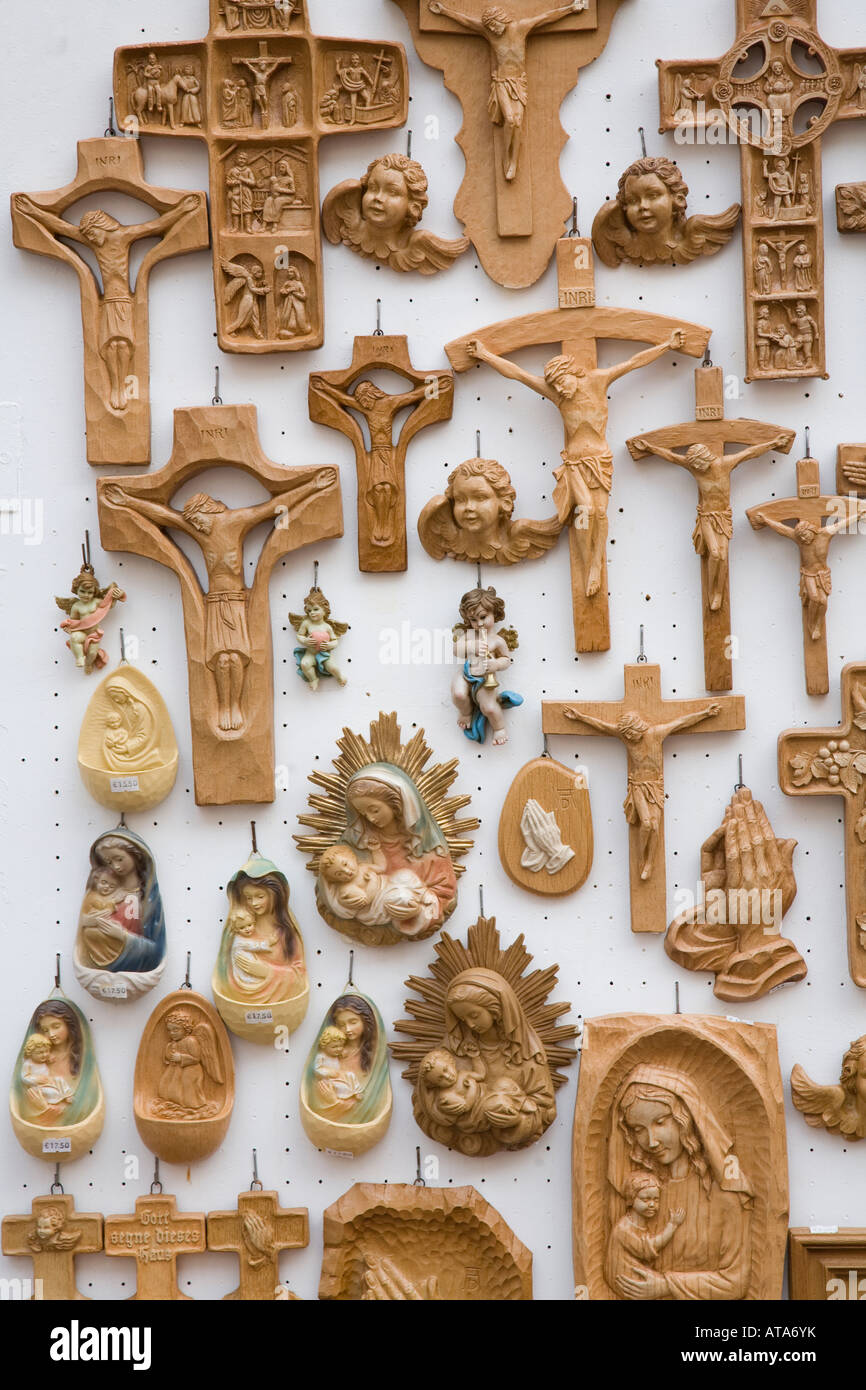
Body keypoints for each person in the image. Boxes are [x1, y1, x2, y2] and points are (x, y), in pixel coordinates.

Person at [103, 476, 333, 732]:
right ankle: (224, 707)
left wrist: (313, 486)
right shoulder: (199, 531)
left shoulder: (236, 521)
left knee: (236, 659)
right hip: (214, 603)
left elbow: (274, 506)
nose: (196, 527)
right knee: (221, 661)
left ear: (207, 511)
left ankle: (236, 706)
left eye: (197, 521)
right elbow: (166, 516)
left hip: (236, 603)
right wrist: (127, 501)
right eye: (192, 524)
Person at [467, 329, 683, 597]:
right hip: (574, 464)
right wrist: (484, 354)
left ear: (573, 373)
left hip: (600, 462)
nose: (559, 390)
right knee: (585, 510)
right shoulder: (558, 396)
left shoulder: (599, 381)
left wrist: (667, 344)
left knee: (601, 515)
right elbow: (518, 374)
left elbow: (634, 362)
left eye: (561, 383)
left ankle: (595, 564)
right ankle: (586, 563)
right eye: (554, 387)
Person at [14, 193, 200, 411]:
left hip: (124, 301)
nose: (91, 239)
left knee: (123, 344)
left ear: (102, 227)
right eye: (88, 237)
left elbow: (156, 226)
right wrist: (32, 211)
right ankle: (115, 387)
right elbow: (62, 227)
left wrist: (183, 209)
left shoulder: (123, 236)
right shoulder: (95, 243)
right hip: (108, 301)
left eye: (92, 234)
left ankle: (121, 384)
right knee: (110, 346)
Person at [607, 1066, 754, 1299]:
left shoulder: (723, 1194)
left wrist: (665, 1286)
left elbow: (736, 1282)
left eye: (660, 1122)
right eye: (638, 1130)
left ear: (685, 1120)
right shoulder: (642, 1191)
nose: (651, 1141)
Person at [627, 432, 792, 613]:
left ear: (705, 458)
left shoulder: (725, 464)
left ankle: (719, 592)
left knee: (723, 556)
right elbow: (672, 457)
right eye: (694, 465)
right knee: (714, 554)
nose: (697, 468)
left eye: (698, 463)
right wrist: (650, 448)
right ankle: (712, 591)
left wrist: (774, 443)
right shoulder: (694, 469)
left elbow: (750, 453)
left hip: (723, 517)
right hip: (706, 516)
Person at [428, 1, 586, 180]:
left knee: (517, 122)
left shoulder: (521, 28)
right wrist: (444, 11)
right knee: (510, 119)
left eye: (494, 25)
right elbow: (466, 22)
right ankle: (506, 157)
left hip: (518, 84)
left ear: (502, 19)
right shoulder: (490, 34)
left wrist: (571, 9)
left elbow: (546, 18)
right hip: (501, 83)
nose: (493, 30)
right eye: (490, 27)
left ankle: (514, 160)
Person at [564, 700, 721, 879]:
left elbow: (682, 722)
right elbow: (602, 726)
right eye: (626, 735)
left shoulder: (656, 733)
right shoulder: (625, 737)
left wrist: (706, 713)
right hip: (637, 785)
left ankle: (649, 862)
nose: (629, 738)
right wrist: (579, 717)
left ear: (637, 728)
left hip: (655, 786)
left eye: (630, 734)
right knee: (646, 823)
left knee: (654, 826)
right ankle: (640, 857)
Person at [318, 765, 457, 937]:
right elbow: (328, 887)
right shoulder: (357, 841)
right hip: (376, 910)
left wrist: (416, 911)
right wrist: (345, 902)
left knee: (405, 879)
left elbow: (446, 895)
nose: (370, 818)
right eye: (362, 813)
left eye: (374, 810)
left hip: (406, 907)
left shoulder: (427, 846)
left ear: (397, 803)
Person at [217, 855, 307, 1006]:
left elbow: (299, 977)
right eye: (248, 897)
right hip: (243, 1001)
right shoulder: (238, 928)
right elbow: (224, 974)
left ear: (274, 895)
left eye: (260, 896)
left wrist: (267, 972)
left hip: (279, 1006)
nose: (254, 903)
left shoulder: (285, 932)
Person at [76, 829, 166, 974]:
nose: (115, 866)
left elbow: (155, 951)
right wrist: (90, 921)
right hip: (98, 963)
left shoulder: (148, 897)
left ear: (135, 855)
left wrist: (123, 936)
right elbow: (83, 925)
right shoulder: (103, 890)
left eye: (119, 859)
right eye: (109, 862)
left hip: (131, 965)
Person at [318, 843, 439, 935]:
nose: (347, 872)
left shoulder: (363, 867)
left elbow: (381, 867)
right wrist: (372, 882)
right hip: (378, 905)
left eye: (345, 864)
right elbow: (366, 900)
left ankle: (424, 895)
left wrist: (375, 850)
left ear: (352, 857)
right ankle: (417, 915)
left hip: (387, 885)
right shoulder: (346, 889)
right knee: (400, 898)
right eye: (339, 874)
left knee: (404, 874)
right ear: (335, 880)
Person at [451, 585, 522, 745]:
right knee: (458, 694)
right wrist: (471, 646)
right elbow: (456, 650)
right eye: (473, 620)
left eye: (483, 617)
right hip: (466, 674)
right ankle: (466, 712)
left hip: (485, 679)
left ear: (494, 613)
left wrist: (496, 664)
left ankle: (499, 728)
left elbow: (506, 659)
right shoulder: (469, 635)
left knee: (489, 708)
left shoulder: (498, 640)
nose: (479, 623)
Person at [604, 1172, 685, 1292]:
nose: (652, 1204)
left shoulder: (639, 1224)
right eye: (645, 1199)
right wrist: (672, 1225)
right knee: (674, 1285)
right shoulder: (623, 1229)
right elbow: (648, 1248)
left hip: (635, 1273)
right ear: (631, 1199)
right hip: (627, 1281)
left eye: (656, 1200)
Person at [290, 586, 348, 687]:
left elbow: (335, 641)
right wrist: (305, 641)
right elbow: (299, 635)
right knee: (305, 664)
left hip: (324, 653)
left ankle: (339, 677)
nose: (312, 613)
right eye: (309, 611)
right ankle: (313, 679)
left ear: (325, 610)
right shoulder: (306, 623)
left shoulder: (327, 627)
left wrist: (330, 645)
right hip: (310, 653)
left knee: (332, 667)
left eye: (315, 609)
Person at [277, 265, 311, 338]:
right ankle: (288, 332)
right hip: (288, 305)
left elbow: (304, 296)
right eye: (288, 272)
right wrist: (286, 291)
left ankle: (302, 330)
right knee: (289, 320)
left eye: (291, 272)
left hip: (298, 306)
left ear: (295, 273)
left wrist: (294, 292)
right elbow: (282, 291)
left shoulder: (299, 284)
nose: (289, 273)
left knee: (300, 319)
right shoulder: (287, 283)